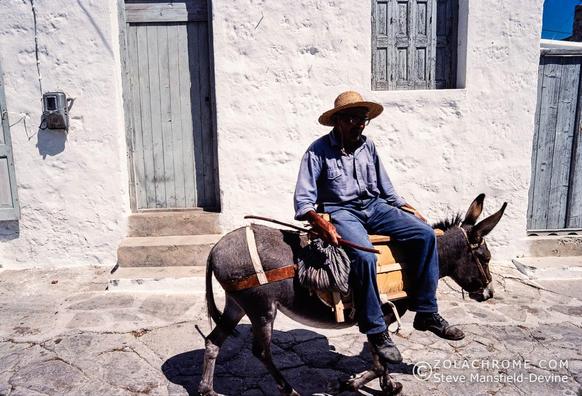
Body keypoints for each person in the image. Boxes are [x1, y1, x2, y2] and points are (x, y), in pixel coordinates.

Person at [293, 91, 464, 364]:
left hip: (375, 206)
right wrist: (319, 221)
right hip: (341, 211)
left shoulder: (368, 146)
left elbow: (386, 189)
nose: (359, 124)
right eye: (352, 118)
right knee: (364, 254)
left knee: (425, 235)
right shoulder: (317, 151)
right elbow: (303, 200)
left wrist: (407, 208)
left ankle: (426, 312)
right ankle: (375, 329)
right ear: (337, 121)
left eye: (363, 119)